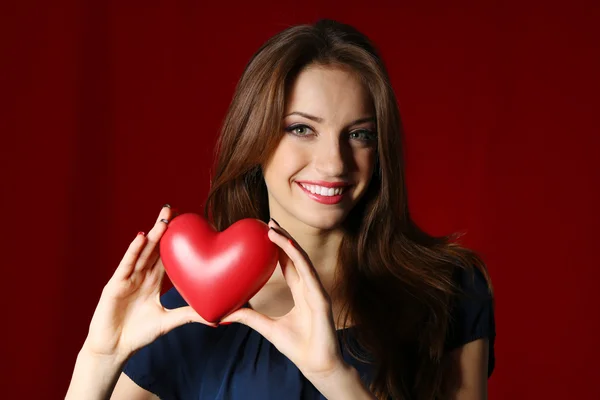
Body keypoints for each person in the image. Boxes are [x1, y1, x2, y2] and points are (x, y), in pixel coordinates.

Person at [66, 19, 495, 400]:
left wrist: (333, 375)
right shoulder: (187, 316)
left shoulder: (447, 290)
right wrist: (99, 357)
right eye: (302, 129)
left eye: (360, 134)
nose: (334, 163)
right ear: (255, 138)